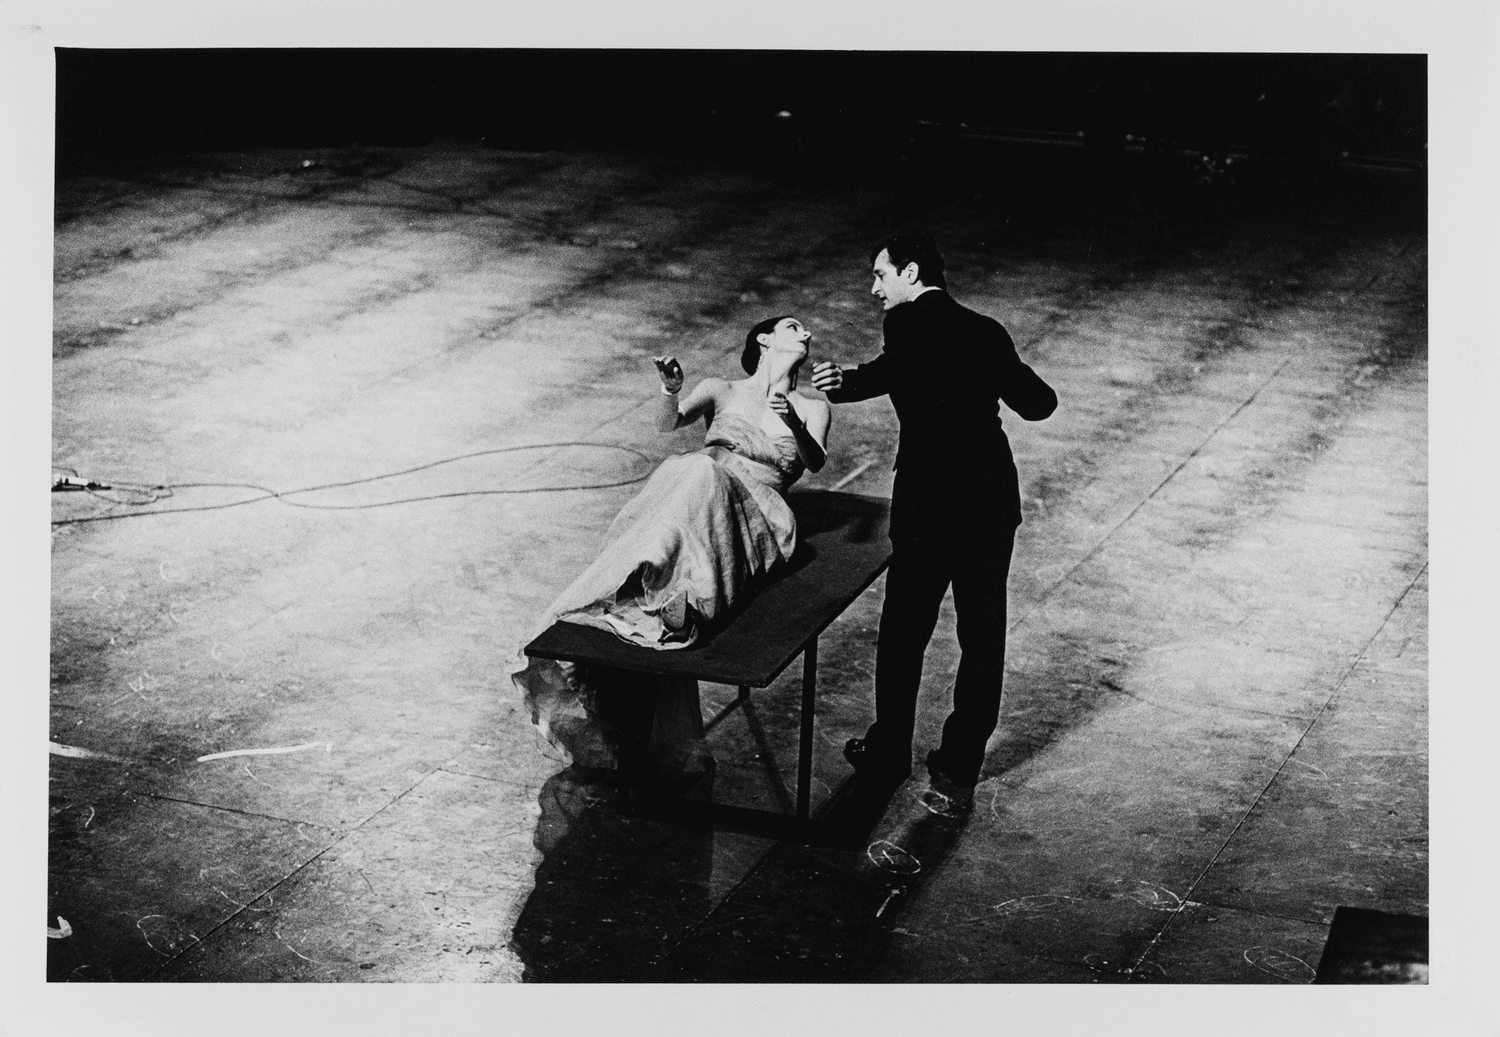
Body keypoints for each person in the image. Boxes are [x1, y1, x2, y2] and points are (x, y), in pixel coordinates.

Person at [512, 315, 831, 779]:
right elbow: (669, 424)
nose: (805, 333)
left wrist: (793, 422)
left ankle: (662, 590)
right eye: (793, 326)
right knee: (691, 470)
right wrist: (670, 390)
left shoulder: (813, 405)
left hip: (760, 511)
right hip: (699, 492)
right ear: (763, 339)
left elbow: (815, 462)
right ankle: (660, 591)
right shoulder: (722, 389)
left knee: (698, 472)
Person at [811, 233, 1057, 794]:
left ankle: (890, 748)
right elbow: (1039, 405)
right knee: (982, 630)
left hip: (929, 505)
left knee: (904, 630)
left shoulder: (904, 324)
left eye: (880, 275)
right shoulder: (987, 330)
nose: (875, 288)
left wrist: (843, 383)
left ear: (912, 272)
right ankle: (960, 758)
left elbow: (891, 370)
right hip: (990, 502)